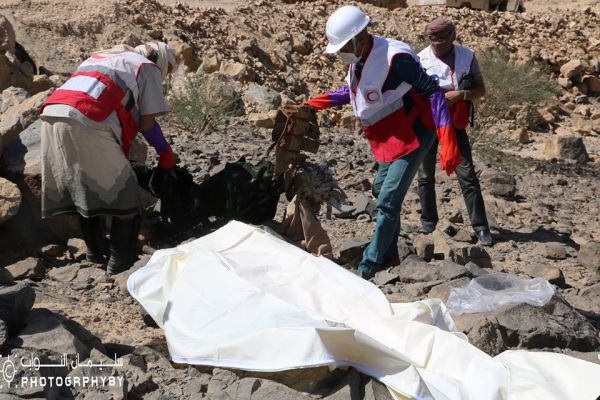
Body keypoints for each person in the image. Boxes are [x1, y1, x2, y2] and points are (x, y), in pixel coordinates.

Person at [303, 5, 461, 279]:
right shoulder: (359, 60)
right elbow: (353, 93)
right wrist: (315, 104)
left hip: (413, 134)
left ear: (359, 39)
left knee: (388, 200)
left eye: (342, 47)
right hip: (389, 136)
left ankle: (369, 265)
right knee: (380, 189)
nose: (340, 53)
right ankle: (390, 254)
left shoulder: (395, 58)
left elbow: (433, 93)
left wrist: (446, 137)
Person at [39, 41, 178, 274]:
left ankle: (95, 252)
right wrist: (165, 152)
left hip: (52, 114)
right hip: (87, 118)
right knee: (126, 191)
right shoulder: (147, 67)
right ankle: (120, 263)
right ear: (162, 61)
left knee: (85, 185)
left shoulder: (99, 56)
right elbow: (147, 123)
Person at [415, 18, 493, 246]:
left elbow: (480, 89)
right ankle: (428, 222)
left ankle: (481, 227)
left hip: (455, 122)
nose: (437, 47)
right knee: (425, 174)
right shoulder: (420, 59)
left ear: (452, 38)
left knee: (467, 175)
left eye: (442, 42)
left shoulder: (467, 56)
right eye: (433, 42)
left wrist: (462, 95)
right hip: (429, 122)